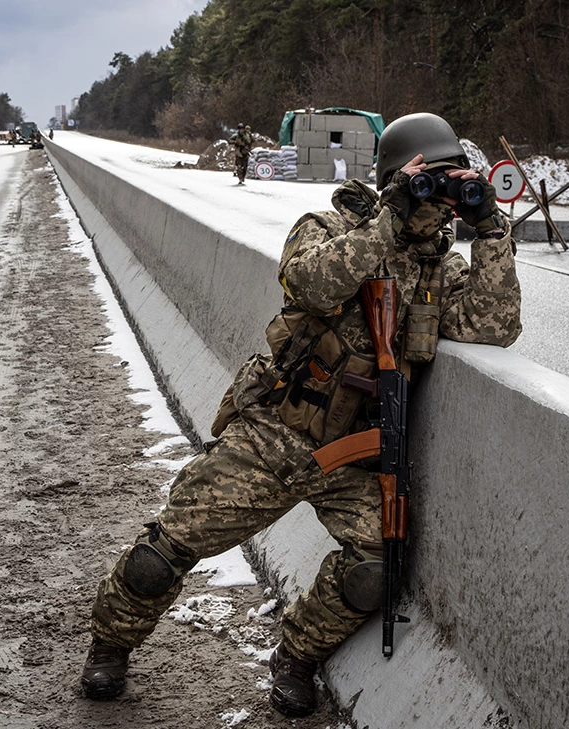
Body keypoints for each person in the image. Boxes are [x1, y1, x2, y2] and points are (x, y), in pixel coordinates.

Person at [80, 112, 522, 717]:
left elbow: (495, 326)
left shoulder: (440, 270)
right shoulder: (331, 226)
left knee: (374, 570)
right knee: (162, 553)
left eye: (451, 182)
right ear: (395, 179)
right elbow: (311, 284)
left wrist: (490, 227)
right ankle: (111, 644)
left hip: (355, 454)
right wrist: (390, 218)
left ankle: (295, 656)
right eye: (430, 180)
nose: (440, 196)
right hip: (276, 431)